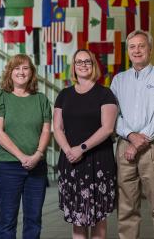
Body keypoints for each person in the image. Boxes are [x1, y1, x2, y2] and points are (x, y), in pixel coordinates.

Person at [110, 29, 154, 239]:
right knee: (126, 207)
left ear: (150, 49)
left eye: (141, 46)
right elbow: (113, 115)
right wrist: (130, 136)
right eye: (132, 46)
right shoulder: (118, 80)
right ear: (127, 51)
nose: (137, 50)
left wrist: (138, 141)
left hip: (153, 146)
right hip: (124, 147)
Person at [53, 49, 118, 239]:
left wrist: (81, 148)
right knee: (77, 218)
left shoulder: (105, 94)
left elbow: (107, 128)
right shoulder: (64, 95)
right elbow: (57, 128)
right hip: (71, 161)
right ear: (73, 67)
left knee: (98, 217)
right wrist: (68, 151)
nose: (83, 65)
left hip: (98, 161)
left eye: (87, 61)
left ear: (93, 65)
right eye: (78, 62)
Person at [0, 54, 51, 239]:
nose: (21, 72)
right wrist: (23, 157)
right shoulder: (0, 96)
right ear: (10, 72)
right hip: (8, 166)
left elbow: (46, 131)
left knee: (34, 219)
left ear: (31, 73)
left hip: (37, 166)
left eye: (25, 68)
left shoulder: (41, 100)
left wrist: (37, 155)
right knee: (8, 219)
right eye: (17, 68)